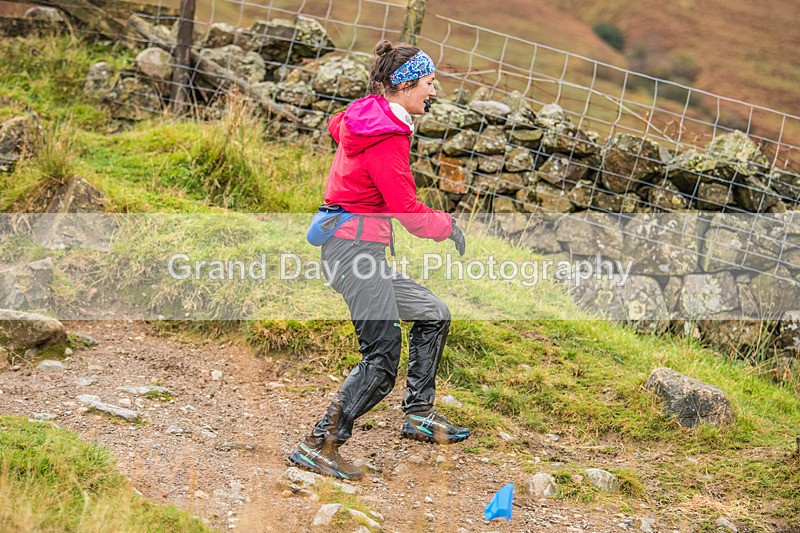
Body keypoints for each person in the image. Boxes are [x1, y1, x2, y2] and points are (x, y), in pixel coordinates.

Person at [288, 40, 470, 481]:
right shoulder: (387, 136)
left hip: (355, 249)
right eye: (429, 83)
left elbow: (338, 125)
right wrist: (447, 225)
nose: (434, 91)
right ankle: (319, 445)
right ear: (405, 85)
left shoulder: (366, 115)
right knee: (382, 358)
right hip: (355, 254)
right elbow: (408, 212)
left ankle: (418, 415)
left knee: (433, 314)